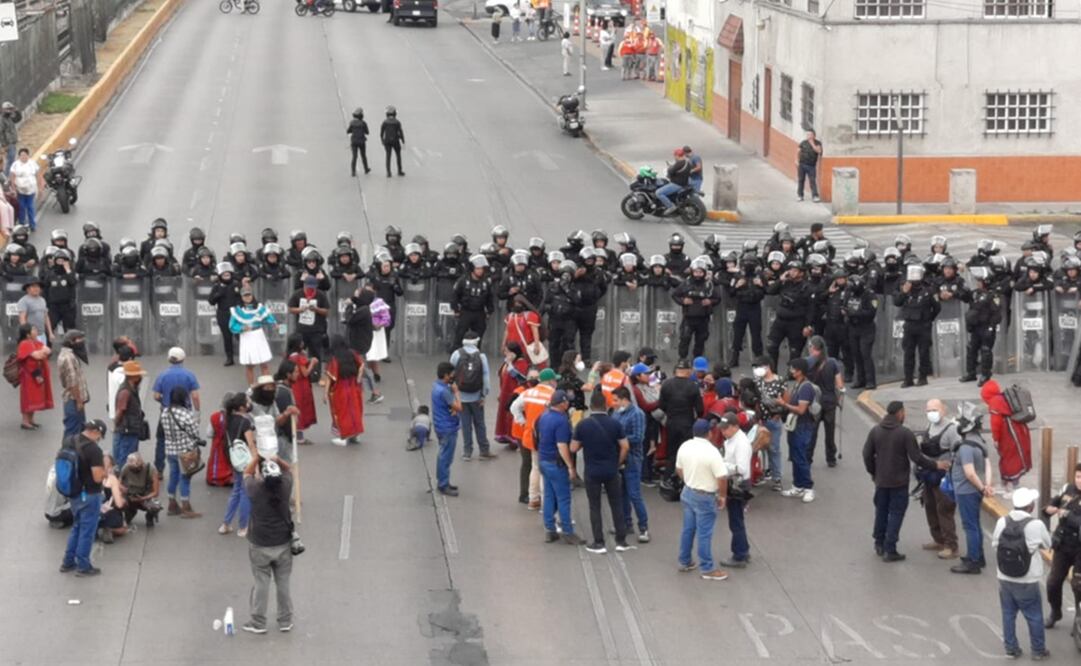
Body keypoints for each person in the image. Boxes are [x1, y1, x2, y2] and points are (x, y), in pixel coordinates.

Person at [861, 401, 949, 562]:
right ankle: (890, 548)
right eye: (904, 412)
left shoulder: (875, 431)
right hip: (899, 482)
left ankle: (879, 543)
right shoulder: (905, 433)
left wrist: (874, 473)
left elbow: (867, 455)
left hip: (881, 482)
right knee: (896, 513)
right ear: (900, 413)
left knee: (881, 511)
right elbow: (917, 457)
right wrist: (936, 465)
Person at [993, 487, 1052, 660]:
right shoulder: (1036, 525)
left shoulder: (1002, 522)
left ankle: (1011, 648)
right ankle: (1038, 650)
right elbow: (1047, 544)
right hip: (1028, 579)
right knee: (1034, 615)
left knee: (1008, 614)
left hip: (1004, 577)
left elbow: (996, 544)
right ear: (1030, 507)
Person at [571, 390, 632, 554]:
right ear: (606, 406)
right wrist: (617, 462)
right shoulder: (615, 424)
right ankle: (621, 540)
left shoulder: (583, 425)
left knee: (594, 506)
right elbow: (625, 446)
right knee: (616, 504)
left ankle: (599, 542)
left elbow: (573, 447)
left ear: (591, 407)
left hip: (592, 471)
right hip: (611, 470)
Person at [242, 456, 296, 635]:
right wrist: (277, 459)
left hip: (260, 544)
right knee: (283, 582)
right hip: (283, 543)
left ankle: (258, 621)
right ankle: (285, 620)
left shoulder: (255, 489)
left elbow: (246, 472)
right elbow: (289, 470)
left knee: (261, 583)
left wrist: (257, 458)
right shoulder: (285, 487)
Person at [676, 419, 729, 580]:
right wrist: (722, 496)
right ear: (710, 433)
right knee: (704, 533)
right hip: (705, 496)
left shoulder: (685, 446)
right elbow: (722, 477)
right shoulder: (712, 452)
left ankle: (684, 561)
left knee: (688, 529)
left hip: (688, 492)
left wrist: (690, 480)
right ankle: (707, 568)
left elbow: (679, 469)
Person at [949, 411, 995, 575]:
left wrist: (983, 488)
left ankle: (973, 562)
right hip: (976, 490)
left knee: (970, 526)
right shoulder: (981, 442)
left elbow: (969, 473)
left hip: (966, 491)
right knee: (975, 524)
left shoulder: (966, 447)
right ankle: (977, 556)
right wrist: (987, 485)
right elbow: (988, 465)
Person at [59, 419, 107, 577]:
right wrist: (106, 470)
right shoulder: (94, 450)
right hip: (90, 494)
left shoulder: (69, 440)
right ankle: (83, 565)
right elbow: (98, 477)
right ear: (96, 432)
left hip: (73, 492)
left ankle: (68, 561)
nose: (99, 439)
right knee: (87, 530)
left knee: (77, 526)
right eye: (100, 436)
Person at [536, 390, 584, 544]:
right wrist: (571, 467)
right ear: (562, 403)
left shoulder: (544, 416)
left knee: (549, 496)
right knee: (564, 498)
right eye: (567, 401)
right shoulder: (561, 421)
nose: (569, 403)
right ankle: (568, 532)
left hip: (543, 460)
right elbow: (562, 446)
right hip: (556, 464)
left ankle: (550, 530)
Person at [511, 367, 559, 508]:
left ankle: (533, 499)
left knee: (535, 467)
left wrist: (523, 422)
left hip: (531, 435)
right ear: (550, 381)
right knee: (546, 470)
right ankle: (546, 503)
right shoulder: (553, 395)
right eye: (555, 380)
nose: (556, 382)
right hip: (548, 437)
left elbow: (514, 407)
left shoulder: (528, 393)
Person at [151, 347, 201, 479]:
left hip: (166, 413)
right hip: (185, 413)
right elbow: (195, 396)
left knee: (161, 440)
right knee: (185, 440)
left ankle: (159, 469)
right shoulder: (189, 375)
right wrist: (198, 412)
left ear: (169, 359)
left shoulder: (162, 375)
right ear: (183, 359)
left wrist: (165, 401)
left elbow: (156, 396)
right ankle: (187, 465)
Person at [920, 399, 961, 560]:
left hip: (945, 478)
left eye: (935, 410)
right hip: (928, 477)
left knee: (944, 510)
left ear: (943, 410)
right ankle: (938, 540)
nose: (932, 413)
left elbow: (958, 452)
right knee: (930, 507)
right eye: (929, 410)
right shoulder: (928, 427)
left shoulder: (952, 430)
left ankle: (951, 546)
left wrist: (949, 467)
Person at [1043, 463, 1081, 629]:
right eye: (1078, 476)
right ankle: (1055, 611)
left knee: (1078, 585)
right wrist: (1050, 509)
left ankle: (1078, 619)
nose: (1080, 480)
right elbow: (1052, 505)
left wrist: (1066, 514)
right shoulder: (1067, 489)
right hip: (1063, 544)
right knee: (1053, 582)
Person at [980, 379, 1033, 493]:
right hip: (1019, 429)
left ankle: (1013, 486)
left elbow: (995, 424)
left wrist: (995, 439)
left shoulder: (994, 402)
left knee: (1009, 458)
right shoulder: (1004, 397)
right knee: (1016, 456)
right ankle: (1007, 483)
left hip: (1008, 433)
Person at [612, 387, 649, 543]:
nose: (613, 403)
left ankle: (644, 527)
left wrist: (620, 439)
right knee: (622, 494)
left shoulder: (637, 414)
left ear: (624, 399)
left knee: (634, 494)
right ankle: (626, 524)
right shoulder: (616, 413)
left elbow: (638, 437)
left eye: (615, 400)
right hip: (620, 457)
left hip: (632, 458)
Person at [161, 386, 204, 519]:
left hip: (170, 449)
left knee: (173, 475)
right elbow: (194, 432)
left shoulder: (165, 412)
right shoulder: (185, 413)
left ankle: (172, 503)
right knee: (185, 477)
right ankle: (186, 506)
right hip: (185, 450)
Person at [658, 358, 704, 482]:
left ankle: (667, 479)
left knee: (672, 453)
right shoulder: (693, 386)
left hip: (671, 422)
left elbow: (661, 405)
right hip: (687, 423)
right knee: (687, 453)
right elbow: (700, 409)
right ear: (688, 371)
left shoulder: (666, 384)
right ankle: (685, 480)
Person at [779, 358, 817, 503]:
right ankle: (797, 486)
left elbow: (801, 410)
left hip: (802, 426)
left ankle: (808, 488)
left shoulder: (806, 387)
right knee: (795, 456)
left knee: (801, 457)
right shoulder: (797, 384)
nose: (791, 371)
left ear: (800, 371)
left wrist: (784, 404)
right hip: (795, 426)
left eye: (793, 368)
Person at [805, 336, 844, 467]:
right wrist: (838, 398)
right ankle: (831, 458)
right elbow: (839, 384)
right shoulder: (832, 362)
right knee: (830, 432)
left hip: (814, 402)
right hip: (830, 402)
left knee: (812, 432)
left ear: (813, 348)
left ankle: (808, 457)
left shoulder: (808, 362)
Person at [221, 392, 254, 537]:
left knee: (236, 491)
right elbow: (251, 444)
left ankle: (226, 523)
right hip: (246, 460)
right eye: (247, 402)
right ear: (242, 407)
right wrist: (256, 465)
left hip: (235, 459)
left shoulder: (228, 419)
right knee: (245, 493)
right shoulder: (245, 422)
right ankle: (243, 526)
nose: (249, 403)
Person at [231, 287, 277, 386]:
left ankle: (267, 386)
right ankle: (252, 387)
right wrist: (242, 328)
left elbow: (268, 318)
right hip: (247, 337)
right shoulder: (238, 310)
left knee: (264, 363)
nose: (247, 297)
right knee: (249, 365)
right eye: (245, 295)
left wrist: (274, 324)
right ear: (241, 297)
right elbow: (232, 325)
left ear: (252, 295)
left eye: (249, 295)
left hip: (258, 335)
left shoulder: (259, 307)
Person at [324, 335, 366, 446]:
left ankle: (343, 437)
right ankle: (355, 435)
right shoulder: (352, 353)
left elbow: (329, 378)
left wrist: (325, 393)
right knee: (355, 411)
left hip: (340, 389)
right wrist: (358, 379)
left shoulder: (334, 359)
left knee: (341, 412)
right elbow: (362, 365)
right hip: (354, 387)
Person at [752, 356, 786, 491]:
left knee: (774, 449)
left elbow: (785, 400)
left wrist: (778, 414)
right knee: (760, 448)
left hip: (773, 420)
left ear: (767, 366)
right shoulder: (757, 382)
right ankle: (763, 472)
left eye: (759, 366)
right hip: (760, 420)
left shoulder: (780, 381)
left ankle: (777, 477)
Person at [432, 362, 463, 496]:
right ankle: (443, 484)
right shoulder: (445, 391)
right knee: (446, 457)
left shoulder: (436, 386)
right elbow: (459, 407)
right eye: (451, 375)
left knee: (443, 455)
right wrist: (456, 393)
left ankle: (443, 481)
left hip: (440, 425)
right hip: (448, 427)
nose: (453, 377)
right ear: (445, 375)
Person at [16, 323, 53, 430]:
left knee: (35, 397)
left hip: (37, 374)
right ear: (27, 334)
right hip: (28, 376)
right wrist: (40, 352)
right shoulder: (24, 344)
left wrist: (39, 352)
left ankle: (31, 420)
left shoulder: (36, 342)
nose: (36, 331)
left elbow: (48, 350)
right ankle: (25, 421)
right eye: (33, 329)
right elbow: (38, 355)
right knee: (28, 398)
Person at [288, 276, 330, 368]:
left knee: (316, 354)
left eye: (312, 287)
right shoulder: (297, 294)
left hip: (316, 330)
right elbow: (290, 309)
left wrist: (316, 309)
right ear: (304, 285)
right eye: (308, 287)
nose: (310, 289)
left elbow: (327, 311)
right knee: (299, 352)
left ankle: (315, 374)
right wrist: (300, 310)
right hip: (301, 330)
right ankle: (299, 372)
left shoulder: (321, 295)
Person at [495, 341, 529, 447]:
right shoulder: (508, 362)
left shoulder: (521, 363)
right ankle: (507, 436)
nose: (506, 354)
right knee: (505, 416)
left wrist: (510, 364)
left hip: (515, 393)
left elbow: (521, 378)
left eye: (508, 352)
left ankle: (515, 438)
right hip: (505, 392)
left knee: (513, 415)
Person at [286, 334, 318, 444]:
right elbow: (305, 373)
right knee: (301, 409)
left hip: (293, 385)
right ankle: (299, 437)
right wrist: (312, 363)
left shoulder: (290, 356)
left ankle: (296, 434)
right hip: (301, 386)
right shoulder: (298, 358)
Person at [56, 329, 89, 437]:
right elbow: (72, 382)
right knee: (72, 431)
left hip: (75, 399)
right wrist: (79, 401)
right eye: (79, 339)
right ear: (71, 341)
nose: (82, 341)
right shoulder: (68, 358)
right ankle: (66, 453)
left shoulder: (70, 354)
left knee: (78, 430)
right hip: (73, 400)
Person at [209, 262, 242, 366]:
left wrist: (240, 308)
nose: (226, 276)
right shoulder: (217, 286)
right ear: (220, 276)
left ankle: (245, 355)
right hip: (223, 314)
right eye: (224, 274)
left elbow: (243, 297)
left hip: (236, 314)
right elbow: (211, 301)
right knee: (227, 337)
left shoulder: (236, 284)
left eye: (228, 274)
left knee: (240, 335)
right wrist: (219, 294)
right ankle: (229, 358)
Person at [119, 452, 162, 528]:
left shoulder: (151, 469)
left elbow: (156, 492)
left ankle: (149, 517)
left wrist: (143, 498)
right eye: (131, 469)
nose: (133, 470)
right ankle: (129, 513)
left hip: (145, 495)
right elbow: (117, 483)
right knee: (120, 501)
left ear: (141, 465)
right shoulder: (126, 467)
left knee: (155, 506)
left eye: (136, 468)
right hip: (130, 494)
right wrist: (123, 489)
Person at [10, 148, 43, 229]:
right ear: (19, 156)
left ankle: (32, 224)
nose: (23, 157)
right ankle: (21, 224)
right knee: (21, 206)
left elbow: (38, 176)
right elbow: (12, 177)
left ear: (28, 155)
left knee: (30, 207)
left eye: (25, 155)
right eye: (21, 155)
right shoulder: (15, 165)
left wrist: (40, 188)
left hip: (31, 190)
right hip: (20, 190)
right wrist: (14, 189)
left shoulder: (33, 164)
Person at [655, 148, 691, 215]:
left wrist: (669, 169)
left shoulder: (678, 164)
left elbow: (670, 172)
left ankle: (671, 206)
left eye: (675, 156)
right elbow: (680, 171)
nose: (674, 157)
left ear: (677, 156)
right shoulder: (687, 163)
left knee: (658, 193)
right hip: (685, 184)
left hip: (676, 184)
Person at [18, 278, 51, 344]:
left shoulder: (42, 300)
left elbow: (46, 317)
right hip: (31, 335)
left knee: (43, 353)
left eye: (38, 286)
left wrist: (50, 333)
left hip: (42, 334)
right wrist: (27, 334)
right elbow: (22, 319)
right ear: (28, 289)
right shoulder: (23, 301)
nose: (36, 288)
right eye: (33, 286)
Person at [795, 129, 822, 203]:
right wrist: (796, 160)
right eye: (807, 135)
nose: (808, 136)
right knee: (801, 180)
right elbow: (798, 151)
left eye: (810, 135)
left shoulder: (817, 143)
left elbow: (819, 151)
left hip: (811, 166)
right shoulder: (803, 143)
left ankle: (815, 196)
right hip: (802, 165)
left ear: (814, 135)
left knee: (812, 181)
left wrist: (812, 143)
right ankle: (800, 195)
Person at [380, 106, 406, 177]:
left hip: (387, 141)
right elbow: (400, 132)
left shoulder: (384, 122)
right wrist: (403, 140)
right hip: (395, 141)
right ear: (395, 114)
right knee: (398, 155)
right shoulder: (397, 122)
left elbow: (381, 133)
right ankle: (399, 171)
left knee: (388, 156)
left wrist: (382, 140)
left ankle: (388, 172)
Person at [346, 107, 370, 176]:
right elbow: (367, 132)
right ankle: (366, 169)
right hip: (362, 141)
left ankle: (353, 171)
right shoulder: (363, 123)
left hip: (354, 141)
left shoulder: (352, 123)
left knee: (354, 156)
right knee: (363, 156)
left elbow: (348, 131)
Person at [1, 102, 20, 175]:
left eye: (10, 109)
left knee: (12, 160)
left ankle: (9, 175)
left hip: (13, 142)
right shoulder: (2, 120)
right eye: (7, 109)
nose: (9, 111)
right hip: (8, 144)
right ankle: (6, 177)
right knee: (10, 161)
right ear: (3, 110)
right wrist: (4, 145)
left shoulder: (9, 118)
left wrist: (16, 111)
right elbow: (1, 133)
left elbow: (18, 119)